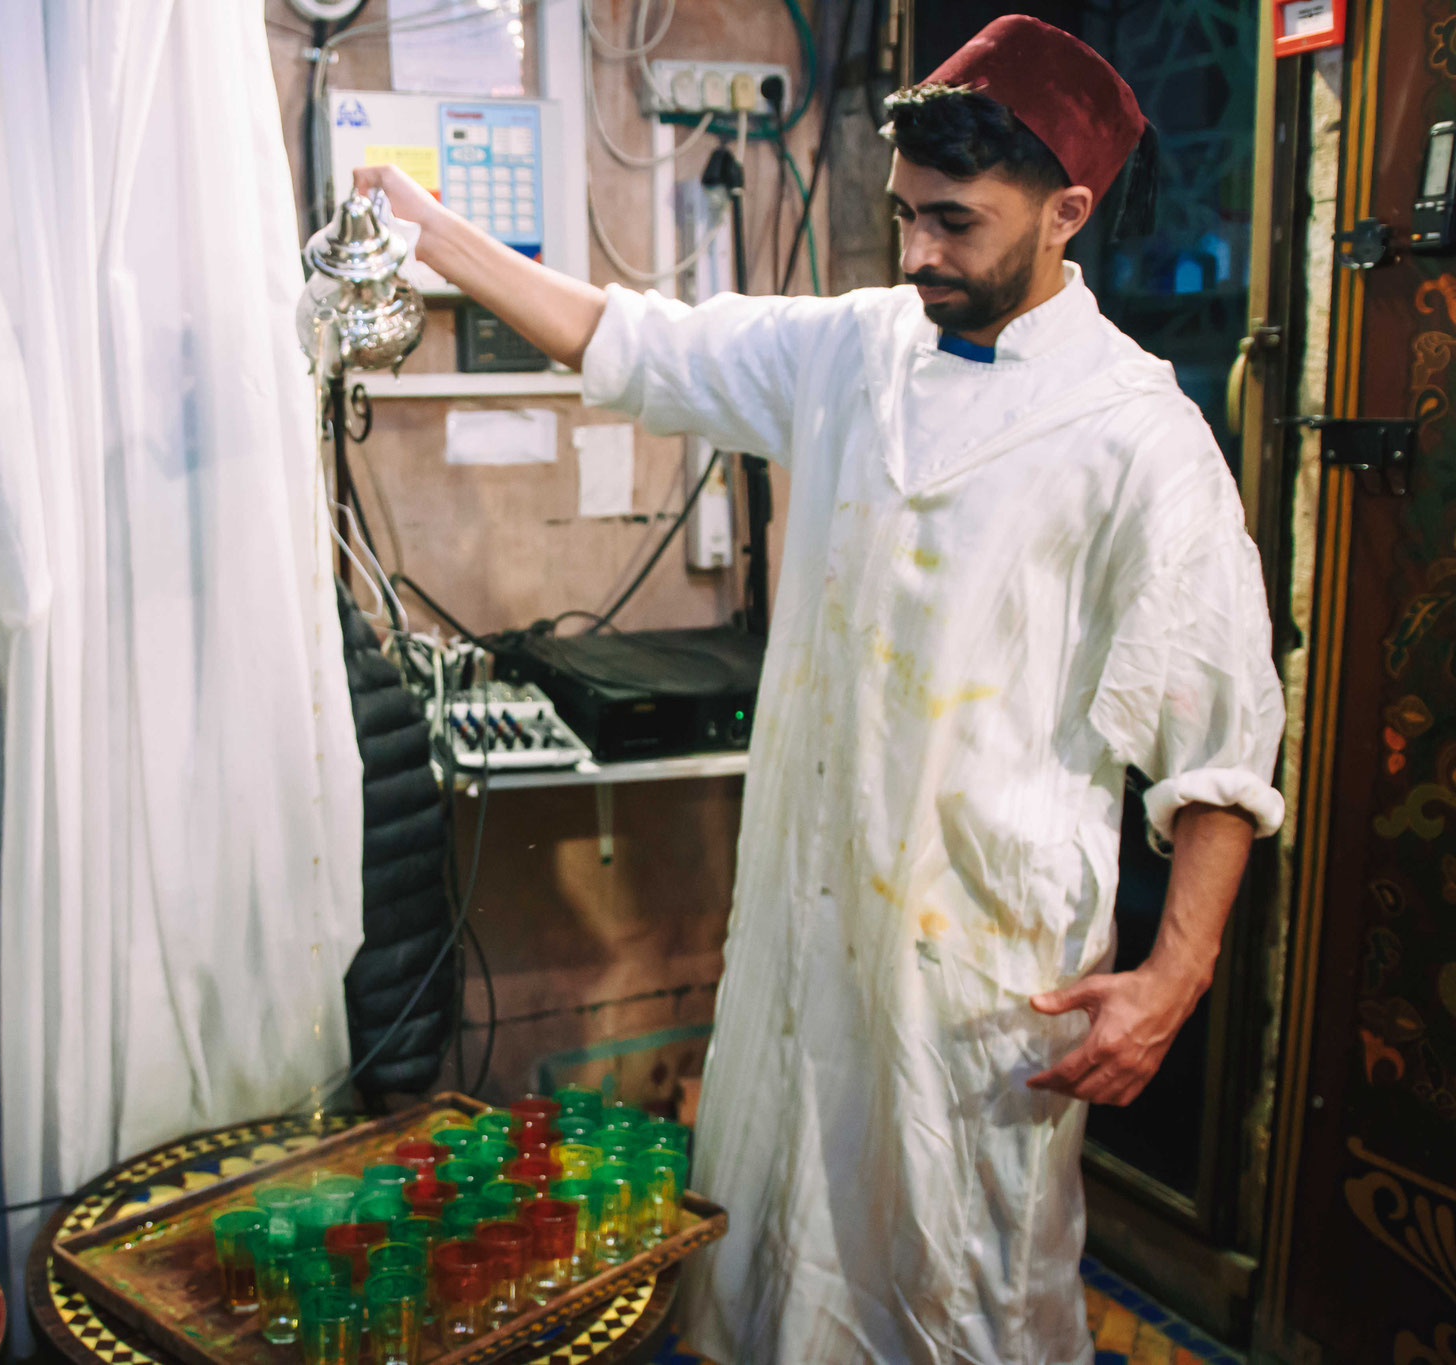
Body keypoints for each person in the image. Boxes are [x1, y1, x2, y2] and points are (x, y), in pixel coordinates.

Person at [352, 14, 1283, 1363]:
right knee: (776, 1252)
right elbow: (632, 340)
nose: (916, 253)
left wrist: (1173, 976)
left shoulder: (1139, 439)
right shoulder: (857, 348)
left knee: (964, 1287)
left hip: (979, 969)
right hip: (809, 924)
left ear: (1067, 214)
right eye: (905, 214)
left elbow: (1220, 743)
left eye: (954, 222)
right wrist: (436, 232)